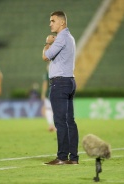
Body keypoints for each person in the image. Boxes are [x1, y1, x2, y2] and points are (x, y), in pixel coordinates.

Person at [42, 11, 79, 165]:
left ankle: (62, 157)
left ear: (62, 23)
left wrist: (47, 42)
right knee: (70, 121)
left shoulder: (61, 38)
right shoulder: (70, 37)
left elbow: (45, 56)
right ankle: (74, 158)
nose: (50, 23)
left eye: (53, 21)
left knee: (60, 121)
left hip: (60, 83)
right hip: (70, 81)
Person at [41, 63, 56, 132]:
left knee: (48, 109)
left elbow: (45, 84)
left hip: (49, 94)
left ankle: (51, 125)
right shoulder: (57, 74)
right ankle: (54, 126)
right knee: (55, 110)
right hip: (56, 94)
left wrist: (43, 94)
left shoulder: (47, 74)